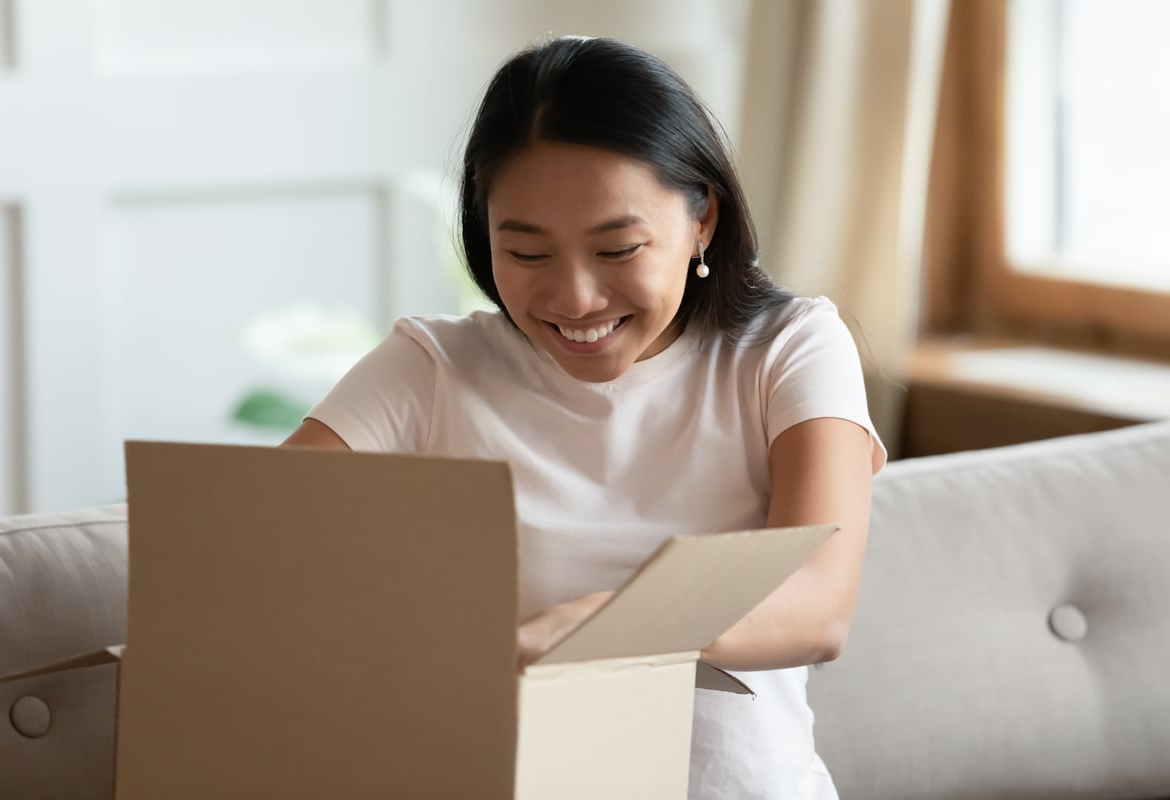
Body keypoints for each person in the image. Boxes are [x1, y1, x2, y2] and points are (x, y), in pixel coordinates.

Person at [284, 34, 885, 800]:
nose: (573, 300)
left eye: (618, 248)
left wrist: (614, 625)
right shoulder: (434, 368)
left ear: (703, 218)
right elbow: (259, 541)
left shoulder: (786, 349)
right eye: (528, 255)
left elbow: (817, 604)